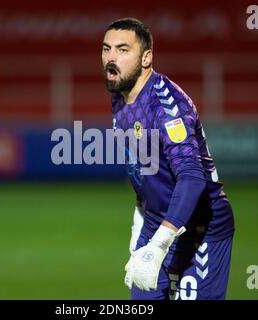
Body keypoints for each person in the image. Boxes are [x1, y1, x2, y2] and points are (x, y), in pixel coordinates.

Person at [101, 17, 235, 300]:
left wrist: (158, 245)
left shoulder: (166, 106)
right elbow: (142, 168)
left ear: (146, 57)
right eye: (106, 48)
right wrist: (139, 227)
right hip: (155, 221)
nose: (111, 58)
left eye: (123, 50)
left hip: (200, 226)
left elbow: (191, 178)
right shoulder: (120, 95)